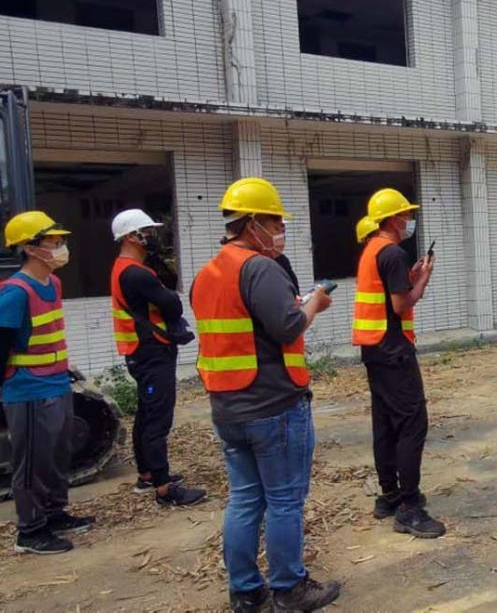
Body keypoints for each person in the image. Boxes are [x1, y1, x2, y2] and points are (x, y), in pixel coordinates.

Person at [190, 177, 340, 612]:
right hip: (272, 406)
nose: (279, 230)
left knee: (244, 499)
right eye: (275, 221)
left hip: (228, 406)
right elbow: (289, 326)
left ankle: (246, 590)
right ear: (252, 222)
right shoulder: (258, 267)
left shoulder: (208, 273)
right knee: (284, 499)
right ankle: (289, 588)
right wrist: (314, 303)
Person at [0, 211, 93, 555]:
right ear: (29, 248)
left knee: (57, 454)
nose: (60, 247)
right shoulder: (15, 293)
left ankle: (55, 512)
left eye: (59, 241)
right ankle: (31, 529)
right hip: (27, 389)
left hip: (54, 383)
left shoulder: (52, 283)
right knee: (31, 462)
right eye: (53, 242)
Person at [354, 189, 445, 538]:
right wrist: (422, 278)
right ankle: (409, 506)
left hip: (375, 349)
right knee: (412, 423)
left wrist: (411, 273)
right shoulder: (391, 252)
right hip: (393, 350)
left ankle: (389, 494)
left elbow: (389, 290)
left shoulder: (373, 250)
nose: (409, 221)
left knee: (386, 423)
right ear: (393, 219)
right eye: (405, 216)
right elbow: (401, 304)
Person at [109, 208, 204, 507]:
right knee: (157, 419)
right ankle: (163, 488)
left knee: (146, 414)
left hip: (141, 351)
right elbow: (171, 304)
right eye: (146, 232)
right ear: (130, 237)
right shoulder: (136, 273)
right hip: (151, 351)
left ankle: (148, 474)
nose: (151, 237)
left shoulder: (125, 268)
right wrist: (167, 296)